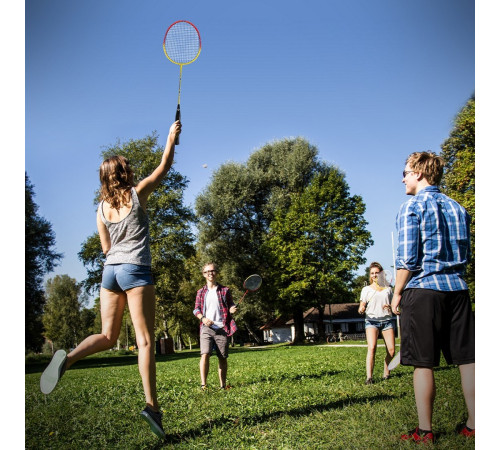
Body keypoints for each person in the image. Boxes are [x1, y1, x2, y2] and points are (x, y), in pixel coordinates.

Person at [40, 120, 182, 440]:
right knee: (144, 341)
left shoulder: (101, 209)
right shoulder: (137, 193)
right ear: (123, 174)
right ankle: (152, 406)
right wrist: (171, 138)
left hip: (111, 272)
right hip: (135, 268)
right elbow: (165, 166)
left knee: (107, 335)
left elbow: (105, 248)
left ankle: (69, 358)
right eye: (128, 168)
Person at [391, 151, 475, 444]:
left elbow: (408, 260)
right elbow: (466, 254)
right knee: (468, 360)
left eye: (405, 172)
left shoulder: (411, 207)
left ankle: (425, 431)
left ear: (418, 172)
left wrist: (397, 292)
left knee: (423, 363)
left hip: (424, 289)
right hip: (458, 290)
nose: (402, 178)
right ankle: (475, 424)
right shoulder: (458, 207)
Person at [193, 262, 237, 390]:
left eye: (212, 271)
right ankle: (203, 385)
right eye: (207, 272)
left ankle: (223, 386)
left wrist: (232, 309)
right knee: (205, 354)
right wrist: (203, 318)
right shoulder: (200, 292)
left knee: (222, 357)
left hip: (222, 328)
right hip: (206, 328)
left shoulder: (225, 290)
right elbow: (196, 310)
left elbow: (231, 306)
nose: (210, 273)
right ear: (203, 275)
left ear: (216, 273)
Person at [358, 262, 396, 385]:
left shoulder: (388, 289)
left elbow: (395, 307)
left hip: (387, 321)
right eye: (372, 273)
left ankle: (386, 372)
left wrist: (390, 307)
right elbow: (361, 306)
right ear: (370, 275)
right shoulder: (366, 290)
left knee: (391, 351)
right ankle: (369, 377)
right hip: (371, 321)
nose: (374, 275)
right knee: (372, 347)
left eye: (376, 273)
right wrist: (361, 309)